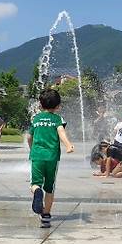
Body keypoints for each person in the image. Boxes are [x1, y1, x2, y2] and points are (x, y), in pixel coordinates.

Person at [27, 89, 75, 228]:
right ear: (58, 106)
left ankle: (36, 191)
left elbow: (30, 137)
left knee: (35, 183)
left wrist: (32, 149)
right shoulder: (57, 119)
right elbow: (61, 132)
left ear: (40, 105)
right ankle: (46, 215)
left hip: (37, 155)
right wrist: (68, 145)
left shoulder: (36, 119)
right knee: (50, 188)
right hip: (52, 157)